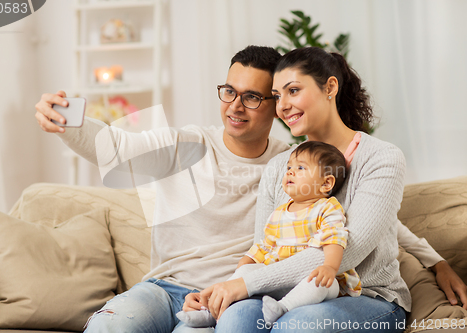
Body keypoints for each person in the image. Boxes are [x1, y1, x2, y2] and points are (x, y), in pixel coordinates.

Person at [34, 45, 466, 333]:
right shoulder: (237, 155)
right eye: (229, 92)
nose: (236, 107)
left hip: (303, 295)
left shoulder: (335, 161)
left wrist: (436, 261)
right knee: (132, 325)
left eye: (258, 96)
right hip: (188, 288)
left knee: (259, 323)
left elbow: (360, 229)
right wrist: (67, 119)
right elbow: (118, 145)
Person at [193, 47, 467, 333]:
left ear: (330, 87)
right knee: (236, 319)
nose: (282, 106)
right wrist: (221, 292)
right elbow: (266, 247)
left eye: (293, 91)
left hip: (369, 297)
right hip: (288, 294)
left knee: (296, 326)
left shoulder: (381, 158)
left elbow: (351, 248)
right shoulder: (279, 167)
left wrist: (437, 263)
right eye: (276, 96)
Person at [177, 141, 361, 329]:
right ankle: (211, 311)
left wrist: (330, 266)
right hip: (278, 277)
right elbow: (265, 246)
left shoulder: (327, 208)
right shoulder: (280, 212)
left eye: (300, 168)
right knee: (244, 273)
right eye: (289, 167)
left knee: (320, 283)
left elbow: (334, 237)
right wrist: (244, 266)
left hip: (314, 277)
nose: (290, 171)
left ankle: (283, 308)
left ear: (326, 183)